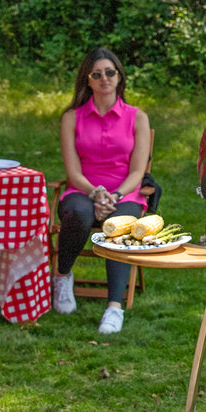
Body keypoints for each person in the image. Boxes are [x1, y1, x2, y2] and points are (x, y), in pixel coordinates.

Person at [52, 48, 152, 334]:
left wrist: (116, 196)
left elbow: (137, 172)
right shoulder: (72, 118)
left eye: (110, 73)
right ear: (88, 81)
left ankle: (114, 308)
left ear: (119, 77)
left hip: (126, 192)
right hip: (82, 189)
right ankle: (62, 276)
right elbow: (72, 172)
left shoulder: (137, 117)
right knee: (78, 214)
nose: (104, 78)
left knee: (118, 224)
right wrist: (96, 193)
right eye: (97, 75)